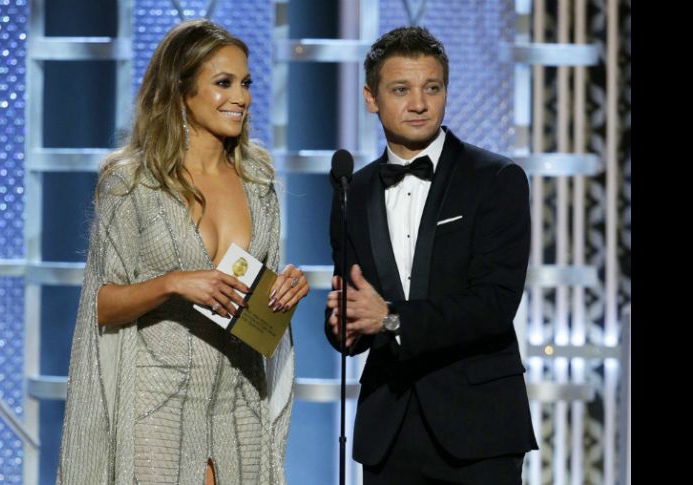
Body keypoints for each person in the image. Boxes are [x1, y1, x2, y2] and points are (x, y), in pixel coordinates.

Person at [57, 19, 309, 485]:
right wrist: (172, 284)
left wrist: (285, 292)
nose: (241, 97)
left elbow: (258, 310)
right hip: (156, 408)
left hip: (241, 404)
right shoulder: (132, 185)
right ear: (180, 91)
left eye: (246, 83)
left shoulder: (259, 184)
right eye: (223, 83)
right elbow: (101, 305)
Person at [325, 26, 538, 484]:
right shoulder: (352, 192)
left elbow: (495, 304)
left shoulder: (495, 179)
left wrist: (390, 319)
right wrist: (343, 325)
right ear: (371, 98)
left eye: (432, 88)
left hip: (479, 430)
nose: (419, 103)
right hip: (388, 429)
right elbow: (354, 304)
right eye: (401, 89)